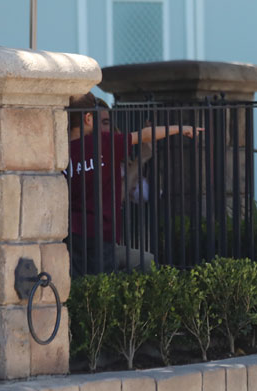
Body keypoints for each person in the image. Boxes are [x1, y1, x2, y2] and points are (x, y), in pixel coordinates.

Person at [65, 93, 198, 277]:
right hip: (101, 231)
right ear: (88, 118)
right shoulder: (104, 143)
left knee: (79, 283)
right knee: (102, 283)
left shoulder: (60, 151)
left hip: (72, 233)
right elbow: (144, 135)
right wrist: (180, 128)